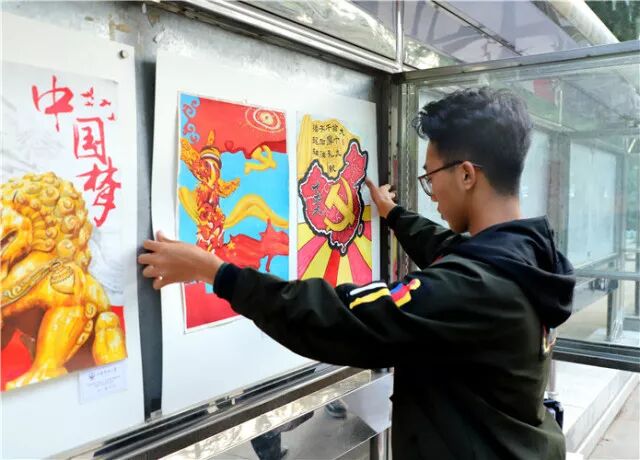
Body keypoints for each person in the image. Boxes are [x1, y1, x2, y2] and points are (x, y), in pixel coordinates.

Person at [139, 87, 575, 459]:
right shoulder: (525, 256)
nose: (431, 193)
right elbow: (449, 249)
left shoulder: (474, 289)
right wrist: (393, 214)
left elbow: (341, 315)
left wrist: (217, 273)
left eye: (430, 177)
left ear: (466, 175)